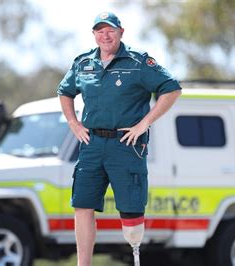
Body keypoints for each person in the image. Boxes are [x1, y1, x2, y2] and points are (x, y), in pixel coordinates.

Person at [57, 11, 182, 266]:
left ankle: (136, 260)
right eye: (99, 30)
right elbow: (65, 91)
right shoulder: (83, 63)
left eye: (110, 30)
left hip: (126, 145)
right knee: (82, 204)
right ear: (94, 35)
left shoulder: (138, 62)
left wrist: (144, 123)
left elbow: (172, 88)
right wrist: (73, 123)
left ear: (121, 32)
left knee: (131, 211)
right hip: (91, 144)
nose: (105, 35)